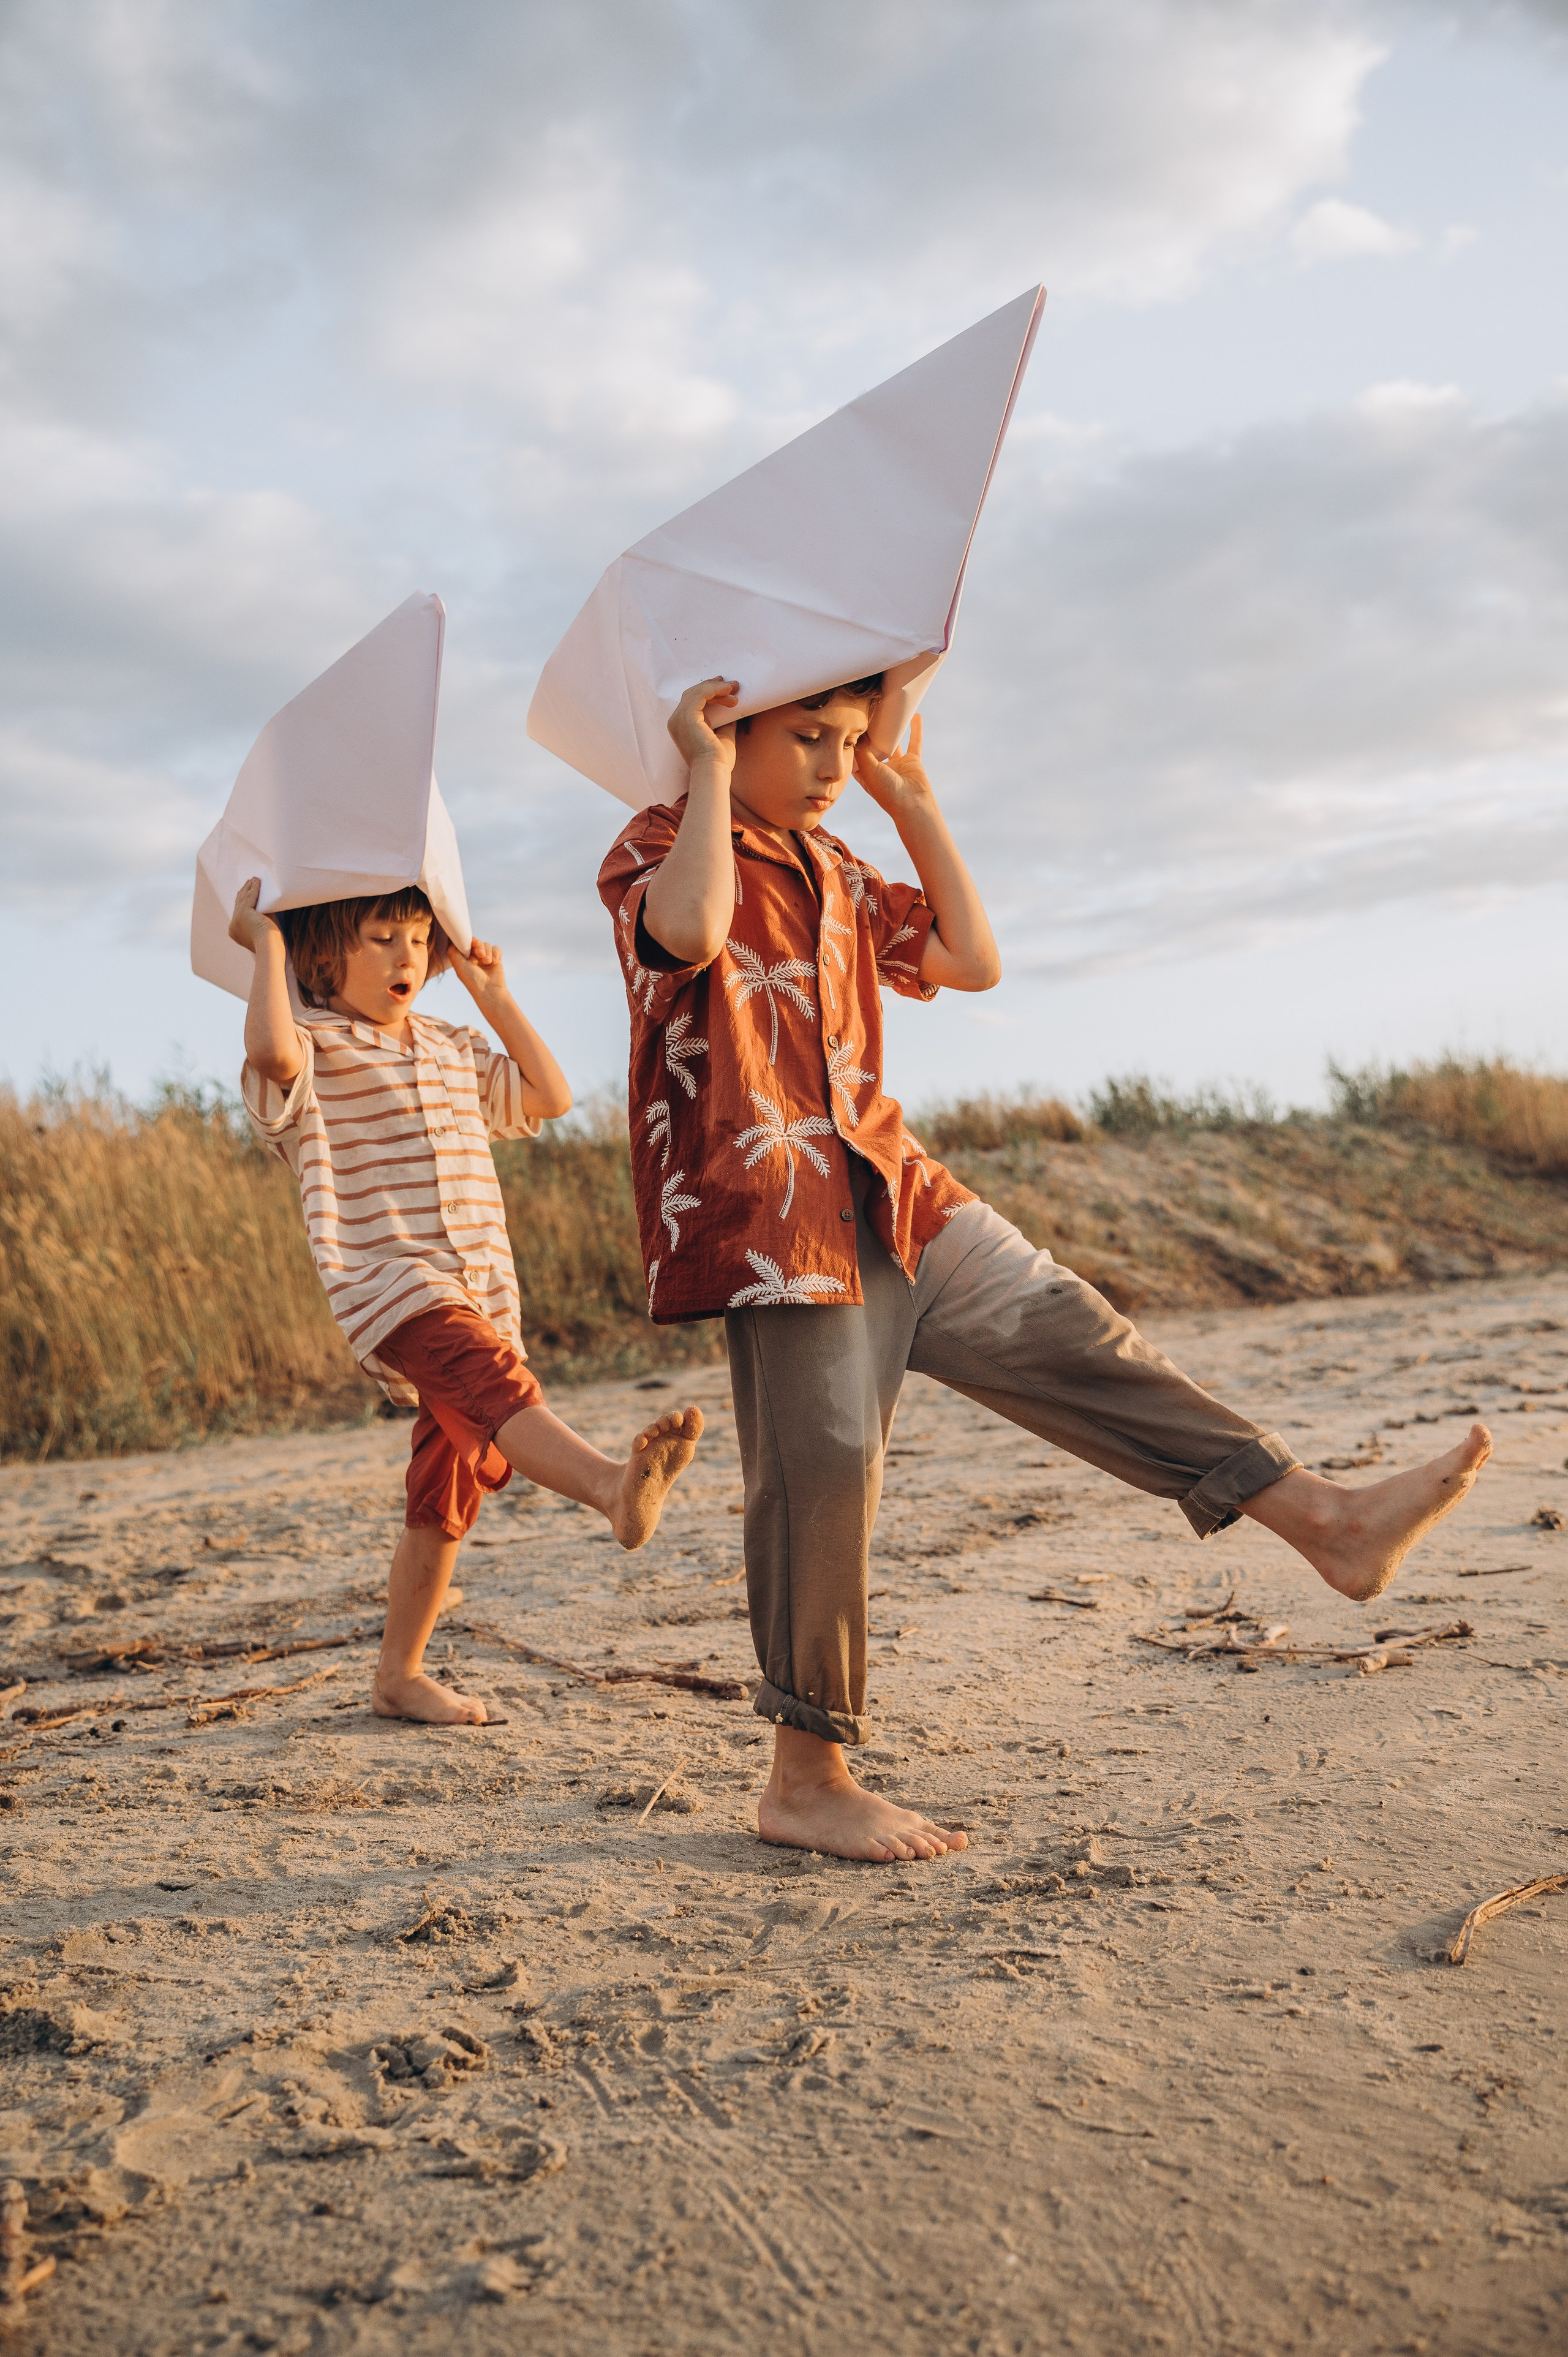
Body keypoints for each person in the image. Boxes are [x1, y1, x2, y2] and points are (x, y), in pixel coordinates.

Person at [597, 674, 1492, 1861]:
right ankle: (804, 1777)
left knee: (1075, 1333)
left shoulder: (844, 869)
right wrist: (704, 773)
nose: (831, 763)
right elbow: (692, 934)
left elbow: (970, 960)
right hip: (776, 1215)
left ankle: (1321, 1518)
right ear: (726, 731)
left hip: (895, 1187)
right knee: (823, 1476)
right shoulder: (659, 841)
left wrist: (910, 801)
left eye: (848, 742)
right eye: (808, 737)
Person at [230, 877, 703, 1725]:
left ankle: (398, 1676)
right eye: (381, 938)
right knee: (494, 1388)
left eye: (417, 939)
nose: (406, 954)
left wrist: (496, 998)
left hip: (480, 1285)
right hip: (395, 1285)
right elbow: (269, 1052)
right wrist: (265, 938)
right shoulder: (314, 1047)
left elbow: (549, 1097)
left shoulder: (452, 1046)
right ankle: (607, 1486)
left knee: (443, 1486)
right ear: (322, 957)